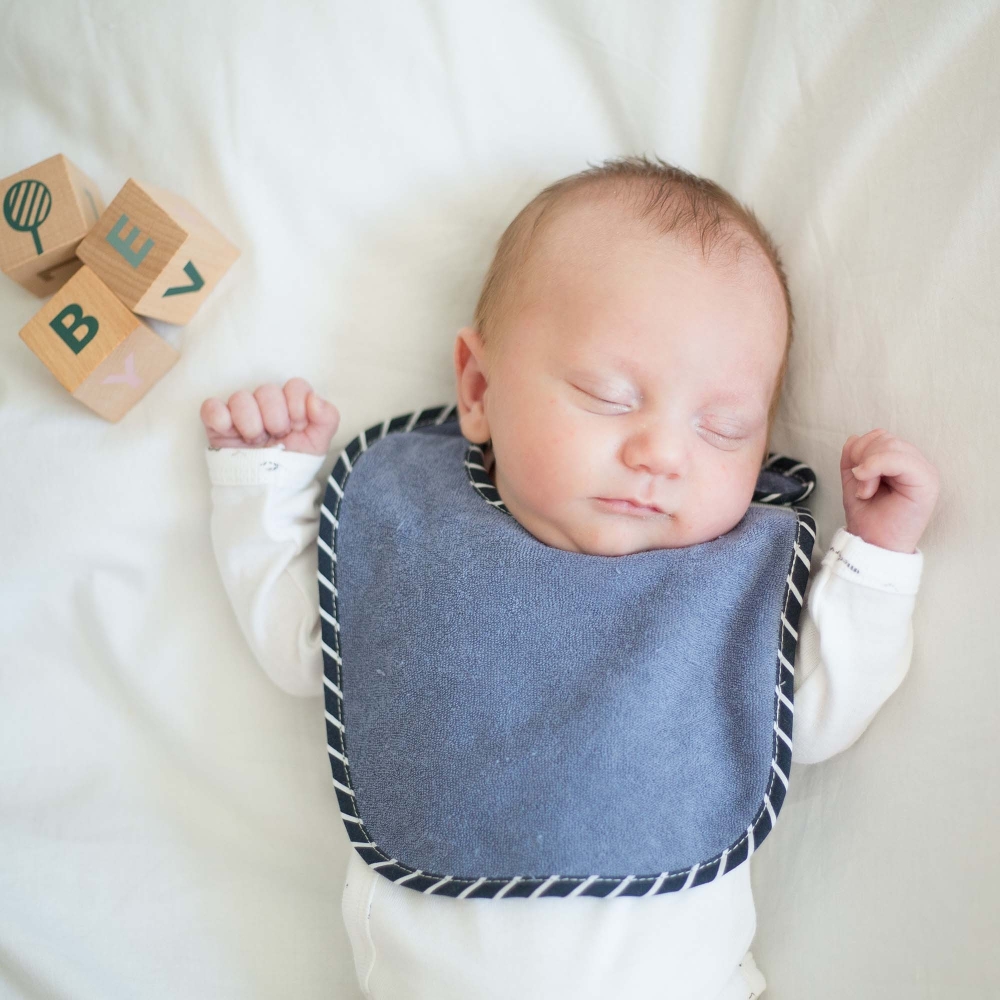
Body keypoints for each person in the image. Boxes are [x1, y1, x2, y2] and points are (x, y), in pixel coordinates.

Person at [199, 155, 939, 999]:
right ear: (478, 388)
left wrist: (877, 552)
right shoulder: (415, 534)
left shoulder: (724, 587)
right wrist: (266, 484)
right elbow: (306, 646)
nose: (661, 453)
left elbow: (812, 715)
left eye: (724, 428)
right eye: (609, 395)